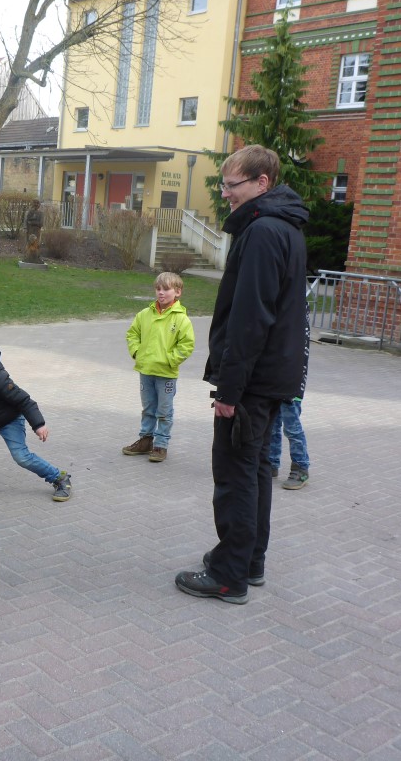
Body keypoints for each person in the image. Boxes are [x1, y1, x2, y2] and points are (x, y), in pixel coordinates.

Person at [175, 144, 309, 605]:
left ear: (261, 183)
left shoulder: (263, 232)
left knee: (235, 474)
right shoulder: (284, 228)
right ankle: (249, 561)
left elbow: (250, 319)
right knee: (255, 471)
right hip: (270, 378)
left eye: (232, 185)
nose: (226, 194)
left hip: (251, 381)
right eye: (224, 185)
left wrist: (229, 390)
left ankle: (228, 575)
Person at [0, 332, 72, 503]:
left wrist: (39, 424)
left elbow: (24, 400)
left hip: (9, 420)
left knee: (21, 457)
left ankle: (59, 477)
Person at [122, 272, 196, 463]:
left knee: (164, 411)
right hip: (146, 371)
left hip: (166, 374)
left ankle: (161, 445)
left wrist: (170, 360)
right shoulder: (144, 315)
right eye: (158, 289)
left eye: (166, 289)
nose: (161, 292)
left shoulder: (181, 319)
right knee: (148, 408)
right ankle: (145, 440)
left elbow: (186, 345)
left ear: (177, 292)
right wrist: (137, 353)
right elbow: (132, 334)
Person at [269, 397, 310, 490]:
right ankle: (271, 464)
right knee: (272, 429)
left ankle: (301, 469)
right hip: (273, 392)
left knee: (292, 430)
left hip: (291, 395)